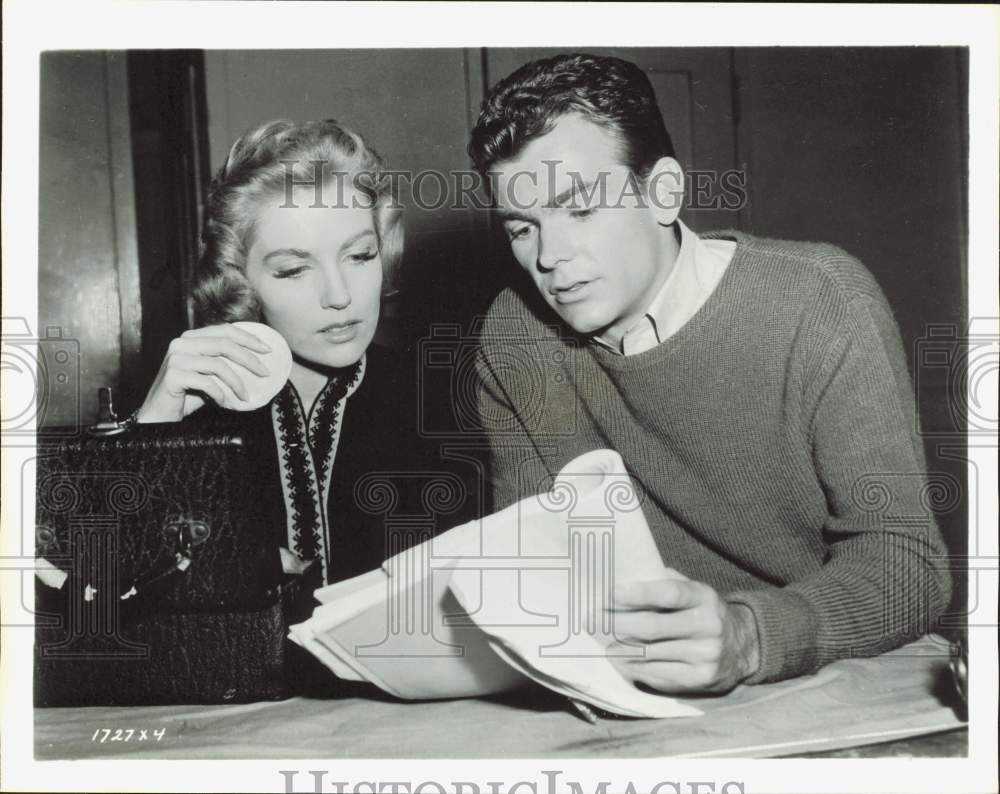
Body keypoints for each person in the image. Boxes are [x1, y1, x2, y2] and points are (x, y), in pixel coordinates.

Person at [468, 53, 952, 693]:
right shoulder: (515, 336)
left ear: (664, 193)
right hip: (635, 693)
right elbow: (541, 568)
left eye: (580, 210)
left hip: (830, 671)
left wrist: (750, 636)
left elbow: (909, 564)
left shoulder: (818, 300)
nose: (549, 259)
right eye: (523, 228)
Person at [137, 118, 459, 586]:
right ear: (239, 279)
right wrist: (154, 427)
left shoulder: (451, 399)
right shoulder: (196, 416)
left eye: (360, 256)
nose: (339, 295)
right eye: (293, 269)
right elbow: (98, 596)